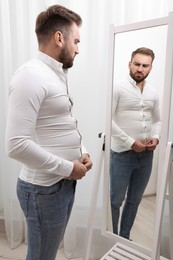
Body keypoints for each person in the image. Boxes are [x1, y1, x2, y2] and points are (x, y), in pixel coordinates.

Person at [5, 5, 92, 260]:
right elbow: (16, 145)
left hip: (61, 183)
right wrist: (69, 168)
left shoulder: (55, 74)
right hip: (43, 190)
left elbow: (63, 122)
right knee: (42, 256)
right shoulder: (30, 76)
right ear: (59, 38)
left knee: (48, 253)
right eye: (76, 41)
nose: (77, 47)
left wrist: (82, 152)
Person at [110, 47, 161, 240]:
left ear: (150, 68)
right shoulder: (117, 87)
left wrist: (155, 137)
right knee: (115, 201)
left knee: (134, 200)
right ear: (129, 64)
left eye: (145, 65)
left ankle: (125, 238)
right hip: (122, 154)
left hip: (147, 155)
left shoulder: (153, 92)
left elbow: (157, 120)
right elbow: (108, 119)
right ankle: (113, 238)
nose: (140, 69)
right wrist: (131, 142)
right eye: (137, 64)